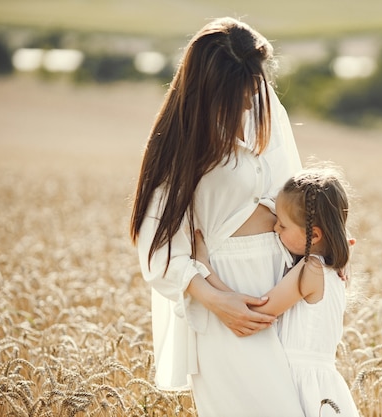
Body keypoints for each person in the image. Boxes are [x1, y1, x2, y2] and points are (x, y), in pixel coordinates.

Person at [129, 17, 305, 417]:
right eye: (241, 86)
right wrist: (218, 301)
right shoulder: (180, 142)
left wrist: (323, 248)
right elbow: (157, 248)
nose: (251, 95)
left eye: (255, 80)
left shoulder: (263, 105)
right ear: (210, 86)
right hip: (225, 291)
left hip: (283, 286)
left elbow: (295, 193)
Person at [195, 166, 360, 417]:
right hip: (324, 384)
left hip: (298, 382)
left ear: (313, 235)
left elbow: (255, 310)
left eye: (282, 225)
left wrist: (205, 270)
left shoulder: (310, 269)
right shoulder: (333, 269)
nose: (275, 229)